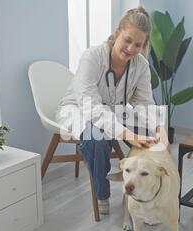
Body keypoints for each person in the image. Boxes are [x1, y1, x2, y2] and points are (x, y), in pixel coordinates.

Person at [56, 6, 167, 215]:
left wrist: (159, 128)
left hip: (114, 111)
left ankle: (146, 191)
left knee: (151, 134)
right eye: (127, 40)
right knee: (96, 138)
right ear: (117, 34)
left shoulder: (140, 65)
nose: (131, 48)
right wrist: (126, 133)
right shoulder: (92, 57)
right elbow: (92, 107)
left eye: (138, 44)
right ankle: (102, 193)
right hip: (78, 110)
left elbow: (145, 102)